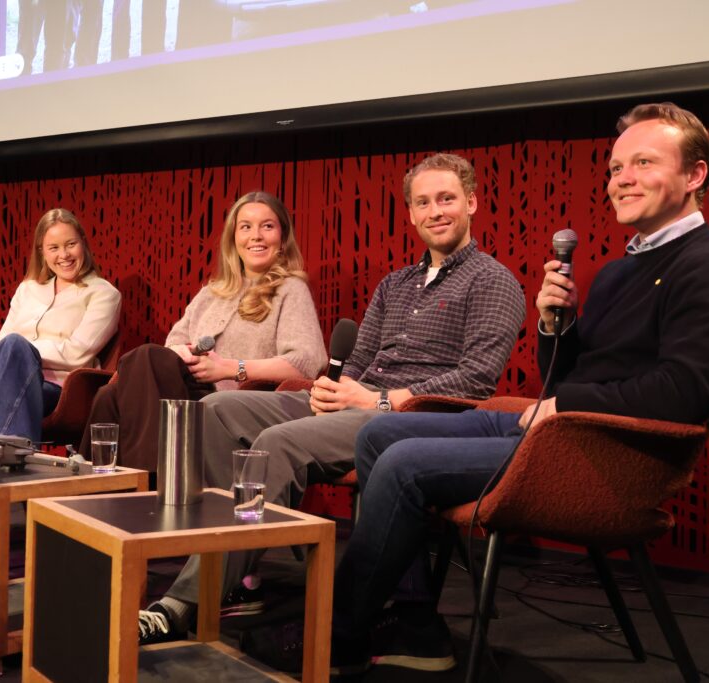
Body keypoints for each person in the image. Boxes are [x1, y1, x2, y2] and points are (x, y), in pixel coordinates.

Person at [331, 103, 709, 676]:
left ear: (695, 175)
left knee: (403, 464)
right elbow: (566, 377)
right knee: (380, 434)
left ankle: (340, 633)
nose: (622, 179)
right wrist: (553, 327)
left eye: (643, 163)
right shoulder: (619, 269)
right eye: (615, 167)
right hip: (564, 427)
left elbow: (684, 393)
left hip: (607, 454)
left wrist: (564, 405)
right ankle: (416, 620)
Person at [138, 153, 527, 645]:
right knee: (215, 410)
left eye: (446, 199)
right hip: (357, 401)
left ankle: (185, 602)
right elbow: (359, 361)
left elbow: (476, 381)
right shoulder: (395, 284)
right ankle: (240, 566)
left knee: (277, 443)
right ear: (411, 213)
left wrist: (377, 399)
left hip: (413, 417)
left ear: (471, 203)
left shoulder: (493, 280)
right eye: (423, 202)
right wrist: (332, 388)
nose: (435, 211)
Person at [80, 191, 327, 472]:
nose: (256, 236)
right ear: (233, 239)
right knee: (110, 394)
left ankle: (148, 481)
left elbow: (305, 362)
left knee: (141, 360)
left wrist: (229, 368)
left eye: (267, 226)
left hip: (235, 403)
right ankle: (92, 488)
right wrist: (184, 353)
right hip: (187, 391)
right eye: (246, 227)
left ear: (282, 239)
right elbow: (173, 343)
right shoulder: (212, 292)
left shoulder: (291, 289)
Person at [0, 208, 121, 443]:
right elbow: (1, 346)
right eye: (54, 248)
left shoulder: (104, 294)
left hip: (60, 390)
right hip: (6, 379)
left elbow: (76, 353)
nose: (64, 255)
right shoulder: (28, 289)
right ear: (42, 252)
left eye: (71, 244)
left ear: (83, 242)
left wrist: (8, 349)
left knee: (10, 352)